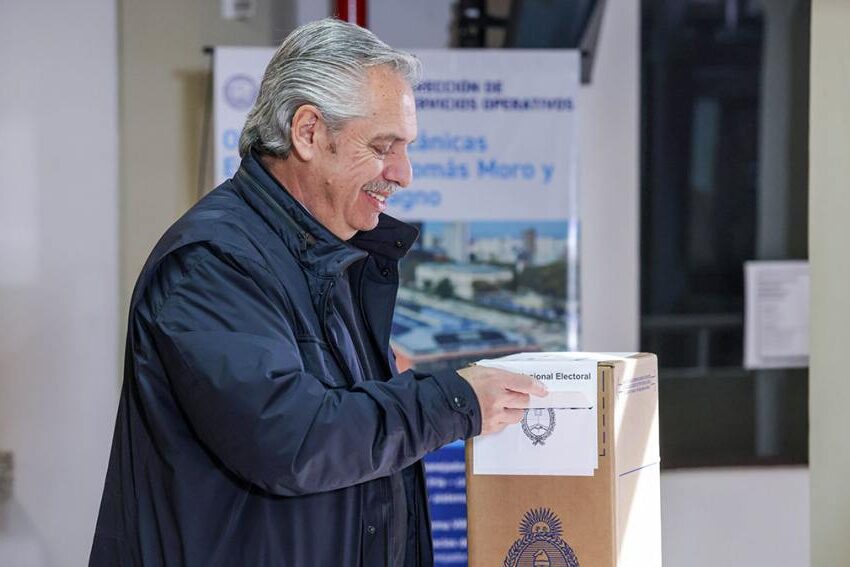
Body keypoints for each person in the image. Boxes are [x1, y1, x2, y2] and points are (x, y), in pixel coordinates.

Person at [90, 18, 546, 567]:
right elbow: (293, 441)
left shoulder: (329, 253)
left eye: (406, 148)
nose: (403, 173)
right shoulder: (212, 262)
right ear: (307, 132)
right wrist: (453, 401)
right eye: (383, 146)